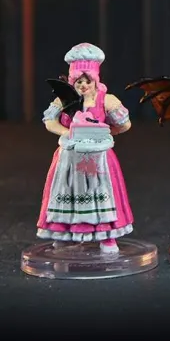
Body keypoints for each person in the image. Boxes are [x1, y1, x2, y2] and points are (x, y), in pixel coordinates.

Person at [36, 43, 135, 253]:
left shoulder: (106, 100)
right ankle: (63, 234)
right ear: (72, 81)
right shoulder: (63, 100)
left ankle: (106, 237)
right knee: (68, 191)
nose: (83, 85)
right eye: (78, 81)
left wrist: (106, 132)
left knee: (99, 191)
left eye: (87, 81)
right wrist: (67, 133)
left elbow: (125, 124)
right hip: (69, 157)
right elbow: (49, 121)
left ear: (95, 80)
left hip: (97, 158)